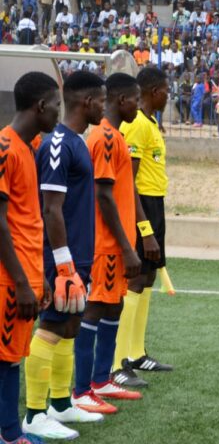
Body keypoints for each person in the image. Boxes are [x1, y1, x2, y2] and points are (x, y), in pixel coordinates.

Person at [24, 71, 105, 440]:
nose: (103, 107)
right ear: (86, 101)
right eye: (101, 100)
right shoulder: (58, 144)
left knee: (70, 326)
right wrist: (64, 264)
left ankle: (60, 403)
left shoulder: (76, 141)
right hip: (61, 258)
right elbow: (51, 208)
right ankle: (34, 413)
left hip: (78, 255)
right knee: (53, 326)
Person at [72, 73, 144, 415]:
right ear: (120, 101)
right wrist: (127, 248)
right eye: (136, 100)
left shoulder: (116, 137)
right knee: (96, 307)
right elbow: (103, 196)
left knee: (113, 306)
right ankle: (81, 389)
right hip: (105, 244)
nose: (138, 106)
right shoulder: (104, 138)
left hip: (118, 243)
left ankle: (101, 380)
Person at [0, 72, 60, 444]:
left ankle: (10, 431)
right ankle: (8, 434)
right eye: (56, 106)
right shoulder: (5, 147)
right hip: (9, 279)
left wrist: (40, 277)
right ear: (40, 106)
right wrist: (22, 282)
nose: (58, 113)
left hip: (25, 274)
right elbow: (0, 224)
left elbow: (28, 220)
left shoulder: (29, 147)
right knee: (4, 360)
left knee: (12, 358)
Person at [112, 67, 171, 389]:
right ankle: (119, 361)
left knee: (147, 277)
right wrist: (145, 228)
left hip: (154, 202)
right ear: (152, 91)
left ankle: (136, 353)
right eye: (165, 90)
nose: (168, 95)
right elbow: (128, 180)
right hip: (142, 206)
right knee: (134, 279)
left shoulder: (149, 123)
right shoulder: (136, 124)